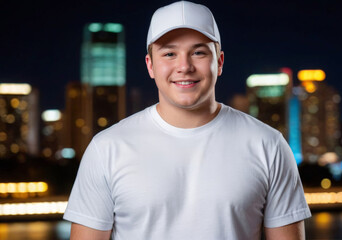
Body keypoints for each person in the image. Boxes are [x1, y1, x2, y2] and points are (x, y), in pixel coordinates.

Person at [63, 1, 311, 239]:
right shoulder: (107, 148)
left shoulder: (269, 145)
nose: (184, 66)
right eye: (169, 53)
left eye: (199, 52)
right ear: (150, 65)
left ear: (220, 62)